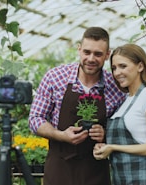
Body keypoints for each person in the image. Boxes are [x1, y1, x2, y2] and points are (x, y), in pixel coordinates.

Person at [28, 27, 126, 185]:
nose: (91, 58)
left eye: (98, 54)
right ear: (79, 50)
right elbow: (35, 119)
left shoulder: (116, 87)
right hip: (59, 168)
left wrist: (106, 134)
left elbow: (126, 129)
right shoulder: (55, 77)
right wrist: (61, 135)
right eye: (87, 52)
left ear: (108, 55)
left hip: (95, 171)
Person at [93, 43, 146, 185]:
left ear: (140, 66)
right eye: (114, 68)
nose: (117, 72)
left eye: (123, 66)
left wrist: (113, 147)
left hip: (144, 180)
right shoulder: (124, 100)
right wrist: (104, 146)